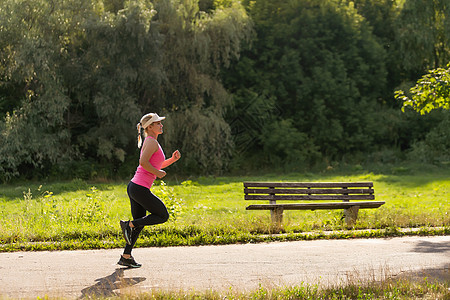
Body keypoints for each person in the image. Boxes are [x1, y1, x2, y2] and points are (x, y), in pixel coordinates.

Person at [119, 112, 181, 268]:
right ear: (150, 127)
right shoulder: (152, 142)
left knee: (140, 224)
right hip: (139, 188)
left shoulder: (152, 141)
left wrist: (172, 160)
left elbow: (156, 165)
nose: (161, 125)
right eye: (158, 123)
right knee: (162, 215)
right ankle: (129, 224)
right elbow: (143, 162)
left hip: (135, 187)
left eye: (160, 122)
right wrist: (157, 173)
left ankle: (126, 255)